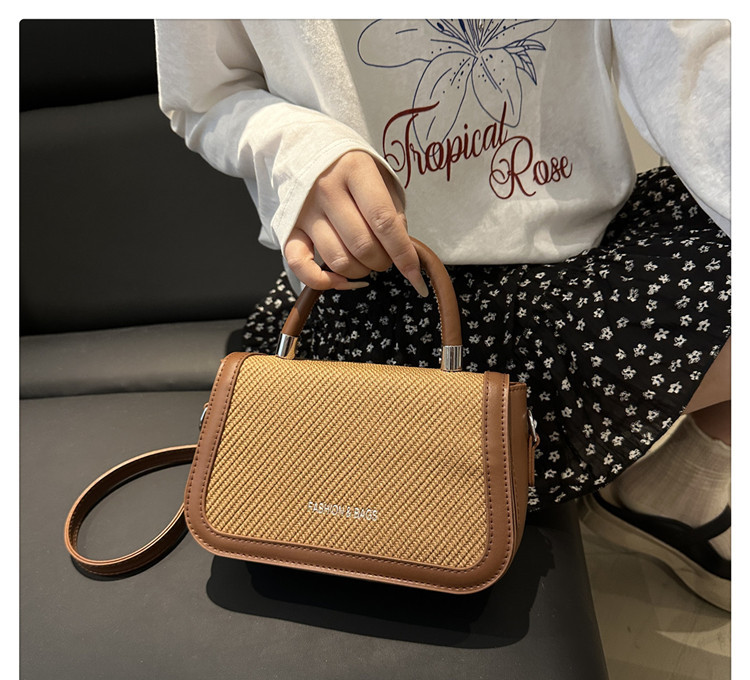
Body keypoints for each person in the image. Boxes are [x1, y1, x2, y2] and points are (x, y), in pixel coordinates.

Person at [154, 19, 731, 610]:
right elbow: (202, 94)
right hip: (377, 300)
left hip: (588, 240)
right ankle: (658, 487)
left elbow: (692, 43)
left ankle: (671, 483)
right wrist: (300, 152)